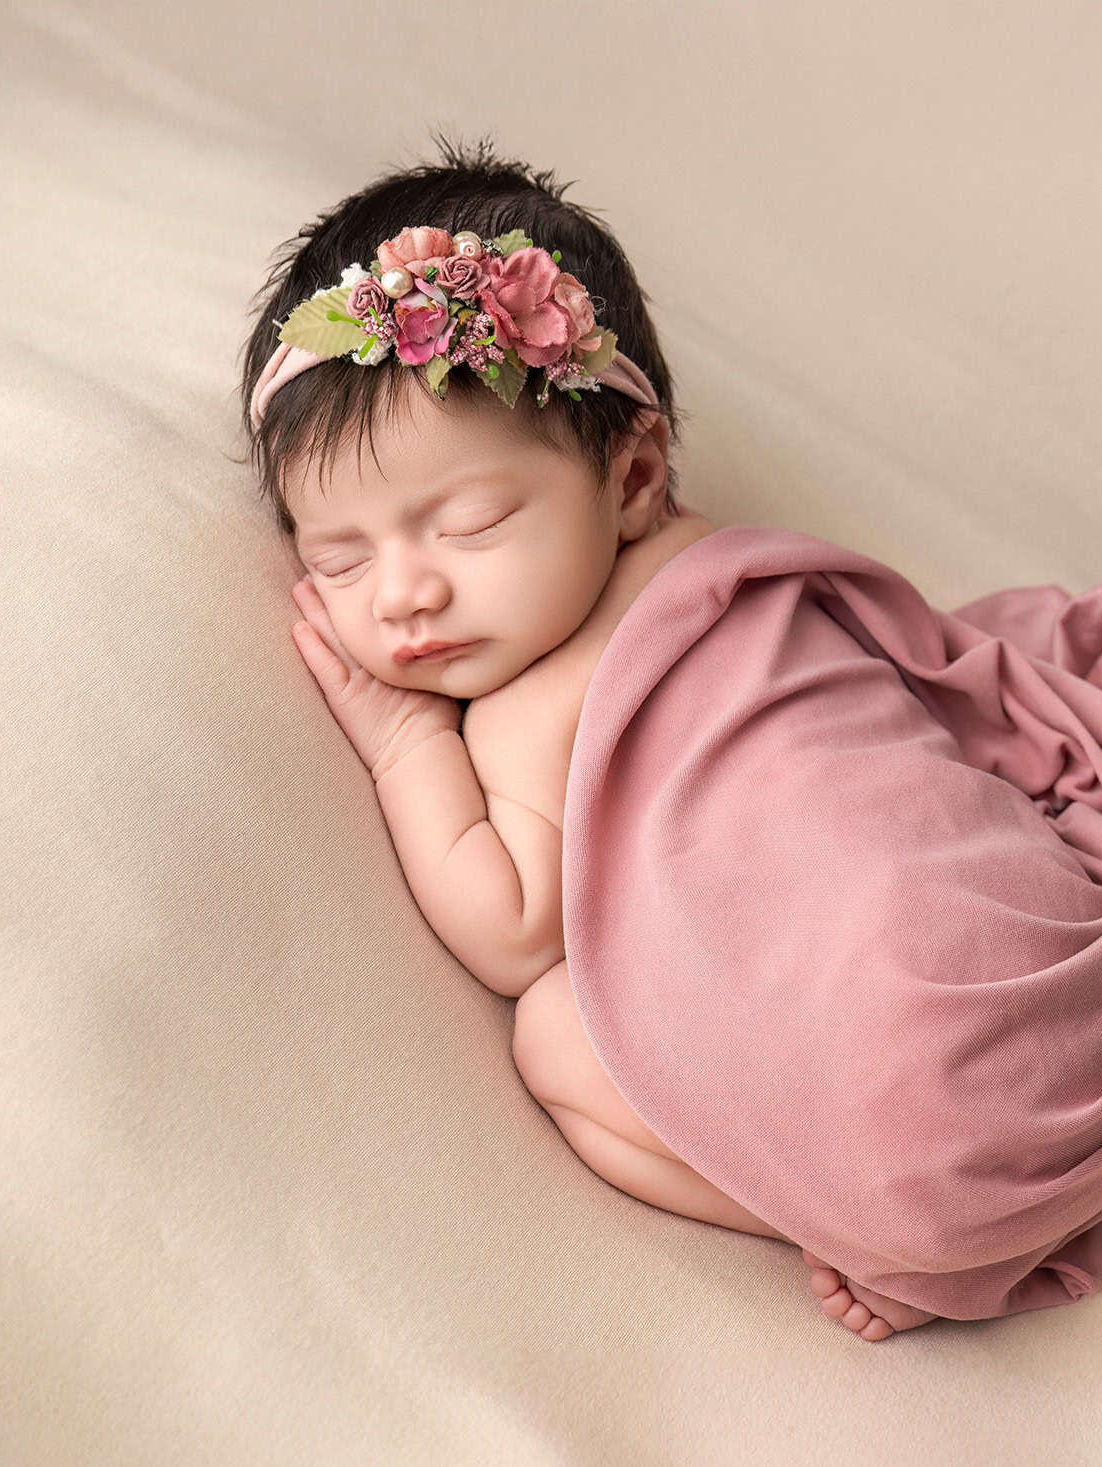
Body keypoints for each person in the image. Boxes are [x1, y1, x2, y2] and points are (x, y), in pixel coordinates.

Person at [238, 133, 932, 1342]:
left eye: (470, 523)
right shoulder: (722, 567)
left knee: (554, 1040)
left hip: (910, 1102)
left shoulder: (531, 699)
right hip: (1046, 1025)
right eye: (338, 559)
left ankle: (845, 1223)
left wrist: (406, 742)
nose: (401, 594)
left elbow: (511, 933)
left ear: (632, 480)